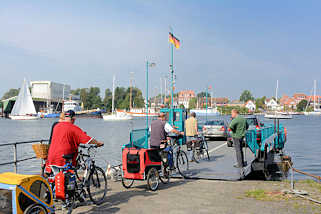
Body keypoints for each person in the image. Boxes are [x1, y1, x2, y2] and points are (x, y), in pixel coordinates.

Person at [47, 110, 104, 174]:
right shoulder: (72, 127)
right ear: (73, 118)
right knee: (69, 176)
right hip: (62, 158)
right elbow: (87, 139)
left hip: (51, 157)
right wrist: (98, 143)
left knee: (57, 178)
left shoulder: (56, 126)